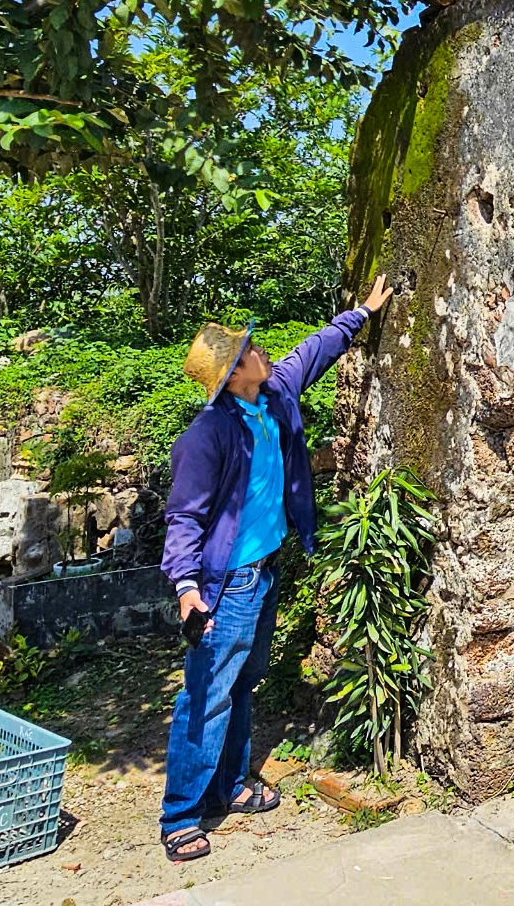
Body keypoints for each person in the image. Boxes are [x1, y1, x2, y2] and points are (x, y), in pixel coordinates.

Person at [156, 275, 392, 866]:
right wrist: (187, 589)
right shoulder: (208, 434)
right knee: (206, 693)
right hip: (225, 583)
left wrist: (360, 313)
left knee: (241, 683)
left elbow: (312, 352)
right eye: (248, 351)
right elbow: (184, 517)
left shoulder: (275, 398)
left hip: (264, 571)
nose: (260, 352)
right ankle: (180, 816)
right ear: (233, 373)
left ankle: (231, 785)